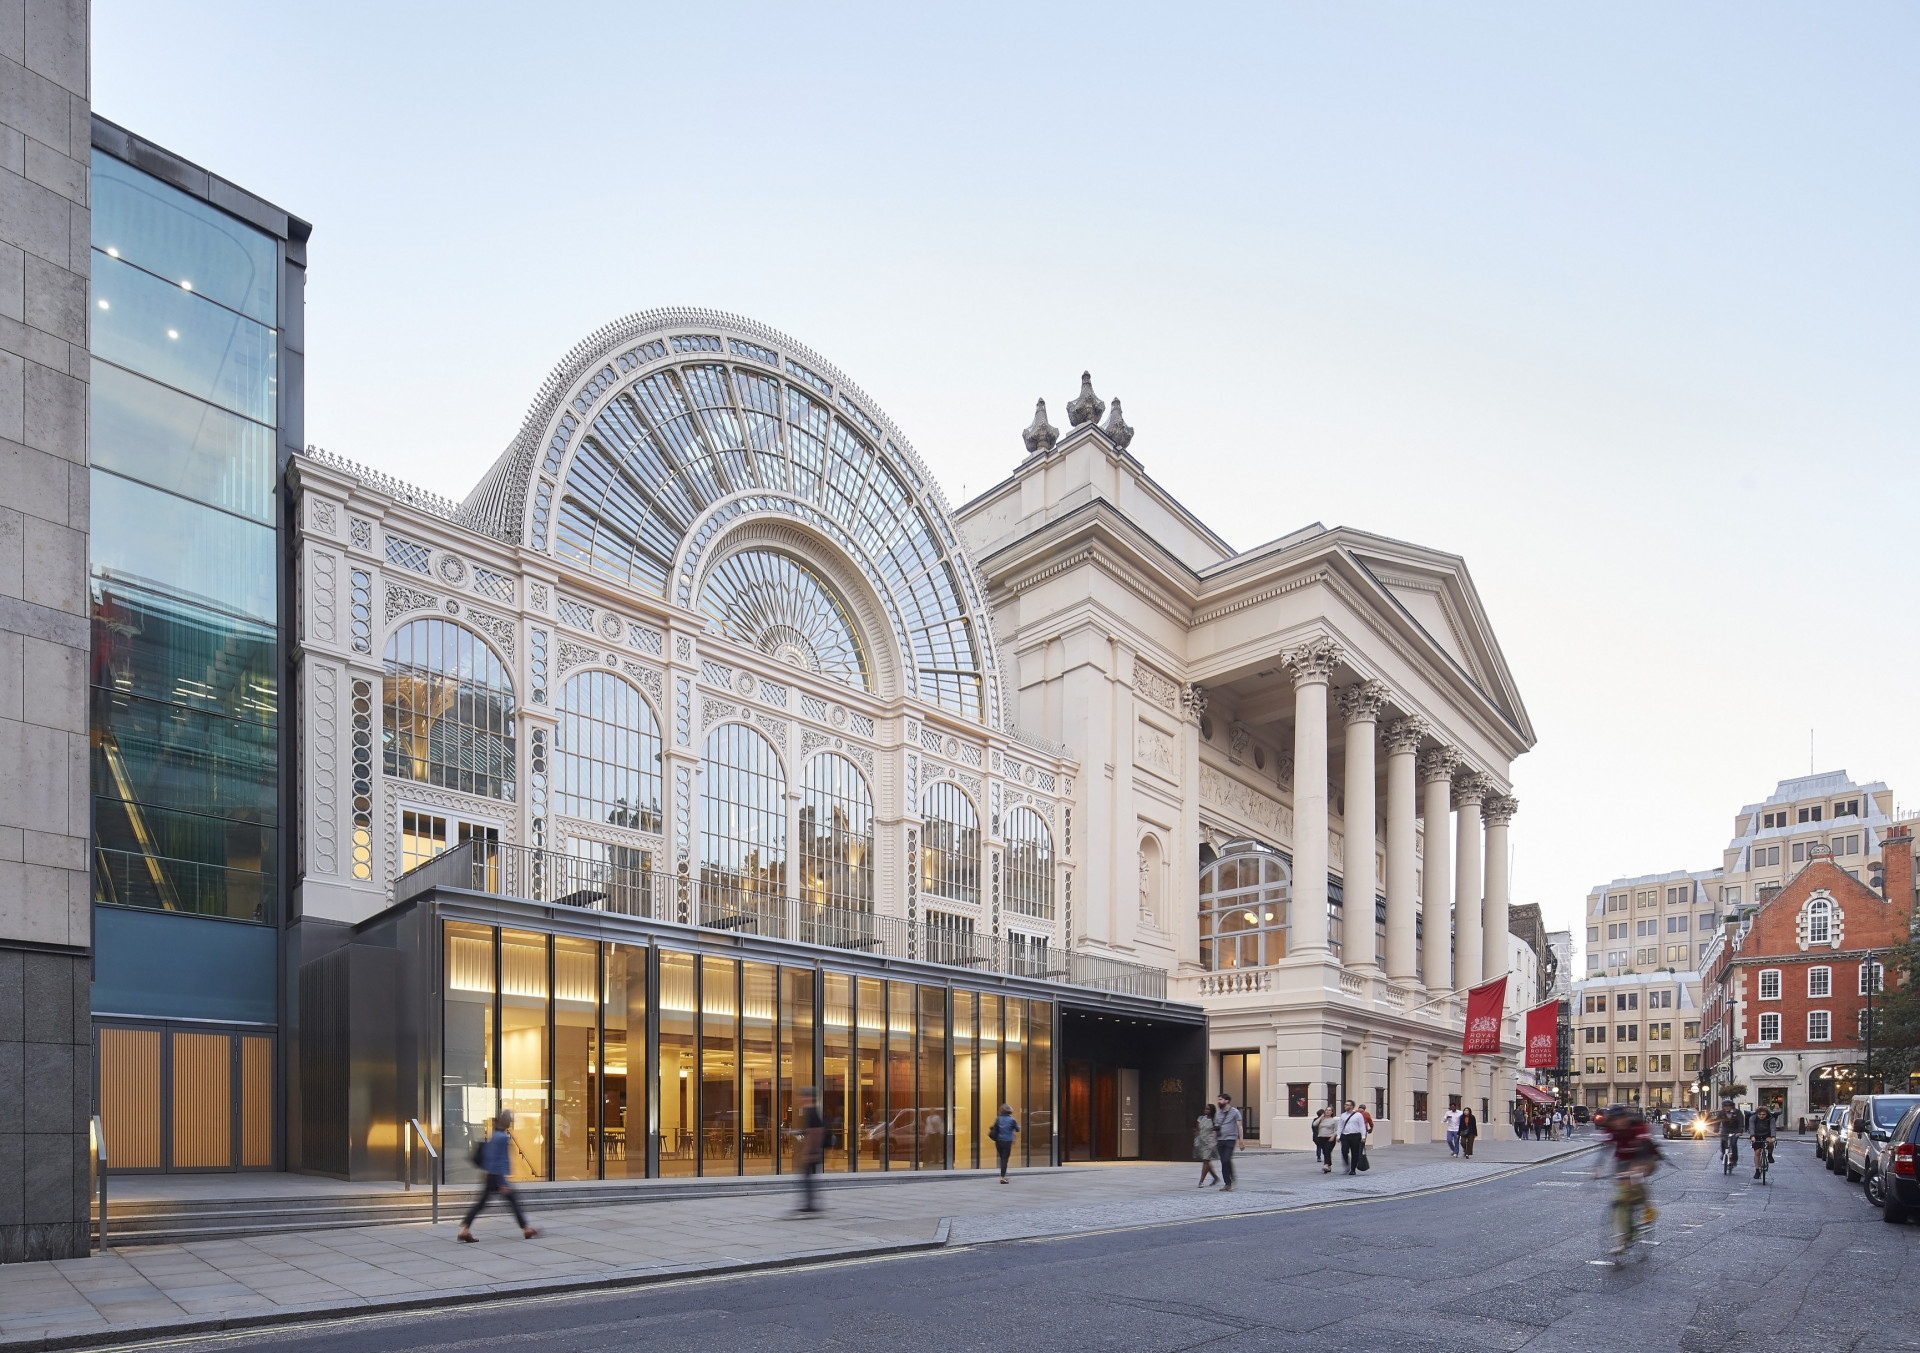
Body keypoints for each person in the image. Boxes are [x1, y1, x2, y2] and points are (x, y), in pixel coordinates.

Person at [457, 1109, 538, 1242]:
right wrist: (502, 1182)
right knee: (512, 1202)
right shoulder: (502, 1138)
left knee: (482, 1204)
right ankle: (526, 1229)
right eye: (511, 1120)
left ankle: (464, 1230)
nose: (512, 1122)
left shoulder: (494, 1135)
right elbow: (499, 1160)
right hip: (496, 1176)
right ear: (507, 1122)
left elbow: (491, 1157)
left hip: (490, 1175)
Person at [794, 1086, 826, 1213]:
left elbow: (816, 1132)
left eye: (803, 1096)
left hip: (812, 1152)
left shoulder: (811, 1112)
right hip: (813, 1152)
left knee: (807, 1178)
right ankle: (811, 1203)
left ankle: (810, 1204)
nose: (801, 1098)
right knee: (809, 1178)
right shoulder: (811, 1111)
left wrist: (808, 1152)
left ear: (809, 1097)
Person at [1215, 1093, 1243, 1191]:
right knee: (1224, 1161)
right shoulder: (1218, 1113)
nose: (1219, 1101)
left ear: (1227, 1101)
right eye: (1218, 1099)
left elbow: (1239, 1126)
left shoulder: (1235, 1112)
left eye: (1221, 1099)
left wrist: (1241, 1141)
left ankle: (1231, 1178)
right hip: (1220, 1140)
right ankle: (1228, 1183)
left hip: (1230, 1139)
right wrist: (1212, 1140)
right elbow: (1216, 1127)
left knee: (1226, 1159)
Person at [1335, 1099, 1370, 1175]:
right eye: (1345, 1104)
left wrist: (1363, 1136)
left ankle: (1353, 1169)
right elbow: (1340, 1126)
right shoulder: (1343, 1115)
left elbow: (1362, 1126)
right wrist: (1338, 1135)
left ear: (1351, 1106)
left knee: (1355, 1153)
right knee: (1344, 1151)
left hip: (1355, 1136)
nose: (1345, 1106)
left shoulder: (1358, 1115)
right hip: (1345, 1136)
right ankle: (1347, 1164)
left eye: (1347, 1105)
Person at [989, 1102, 1019, 1182]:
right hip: (1007, 1140)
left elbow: (994, 1127)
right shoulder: (1012, 1120)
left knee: (1002, 1158)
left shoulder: (998, 1118)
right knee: (1005, 1159)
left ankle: (1004, 1174)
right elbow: (1017, 1129)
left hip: (998, 1141)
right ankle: (1002, 1177)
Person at [1194, 1104, 1222, 1187]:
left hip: (1209, 1142)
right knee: (1205, 1161)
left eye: (1208, 1109)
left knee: (1206, 1160)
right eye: (1205, 1108)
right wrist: (1196, 1137)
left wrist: (1213, 1142)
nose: (1206, 1110)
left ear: (1212, 1111)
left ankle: (1201, 1181)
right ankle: (1215, 1177)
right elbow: (1197, 1129)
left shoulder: (1214, 1120)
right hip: (1201, 1141)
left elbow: (1216, 1132)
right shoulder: (1201, 1118)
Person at [1749, 1102, 1775, 1179]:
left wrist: (1773, 1137)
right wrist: (1752, 1136)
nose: (1761, 1116)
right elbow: (1751, 1128)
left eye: (1763, 1114)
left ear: (1766, 1114)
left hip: (1767, 1134)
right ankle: (1757, 1171)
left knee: (1770, 1142)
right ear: (1757, 1114)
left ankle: (1770, 1155)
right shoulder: (1753, 1118)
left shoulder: (1771, 1118)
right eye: (1760, 1114)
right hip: (1756, 1134)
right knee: (1757, 1152)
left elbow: (1773, 1128)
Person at [1311, 1107, 1338, 1172]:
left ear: (1332, 1112)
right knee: (1325, 1152)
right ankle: (1329, 1166)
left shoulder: (1334, 1120)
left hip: (1330, 1138)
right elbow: (1314, 1124)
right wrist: (1321, 1117)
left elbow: (1337, 1130)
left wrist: (1333, 1136)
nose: (1327, 1111)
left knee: (1327, 1151)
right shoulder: (1321, 1119)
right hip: (1321, 1137)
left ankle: (1326, 1164)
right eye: (1326, 1110)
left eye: (1329, 1110)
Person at [1717, 1102, 1741, 1171]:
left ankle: (1734, 1160)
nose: (1727, 1108)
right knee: (1723, 1141)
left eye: (1728, 1106)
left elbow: (1741, 1122)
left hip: (1735, 1130)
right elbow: (1717, 1122)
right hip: (1725, 1129)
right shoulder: (1721, 1113)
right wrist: (1716, 1131)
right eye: (1725, 1106)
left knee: (1733, 1144)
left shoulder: (1737, 1112)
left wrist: (1740, 1131)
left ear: (1732, 1107)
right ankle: (1724, 1153)